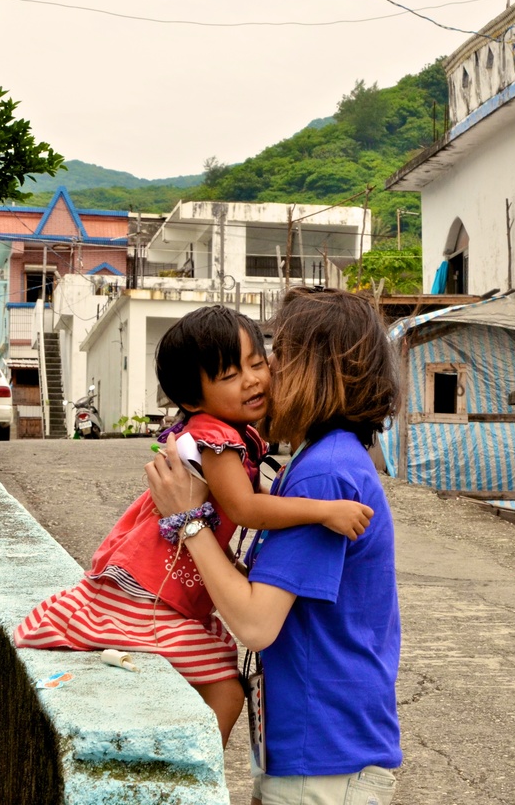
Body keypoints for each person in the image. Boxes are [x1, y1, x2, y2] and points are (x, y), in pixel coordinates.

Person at [13, 305, 373, 746]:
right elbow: (244, 510)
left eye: (258, 363)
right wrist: (322, 511)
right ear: (192, 399)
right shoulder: (215, 440)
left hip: (158, 586)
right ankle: (199, 779)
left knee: (216, 670)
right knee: (225, 690)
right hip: (152, 594)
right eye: (230, 375)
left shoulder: (233, 434)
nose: (253, 380)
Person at [147, 287, 402, 805]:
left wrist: (188, 522)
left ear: (315, 368)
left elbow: (256, 624)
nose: (263, 375)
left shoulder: (325, 475)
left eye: (273, 356)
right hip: (311, 750)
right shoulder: (319, 462)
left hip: (324, 761)